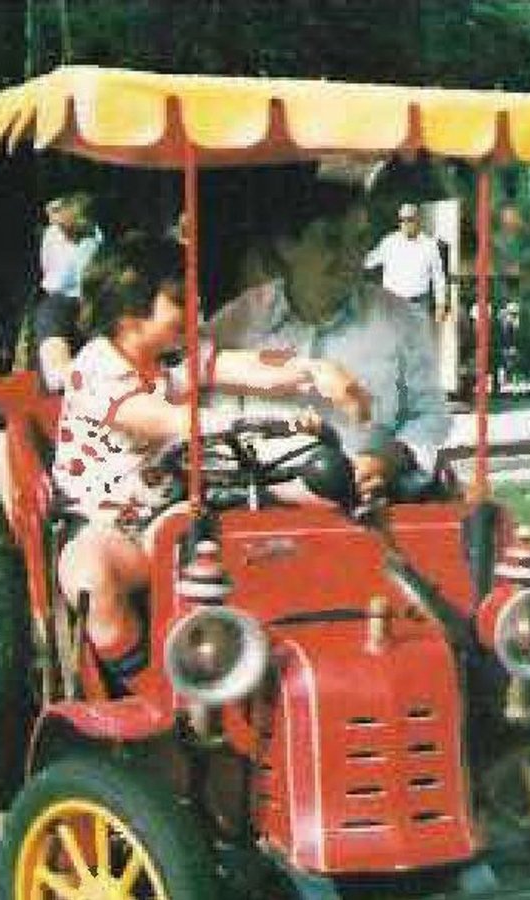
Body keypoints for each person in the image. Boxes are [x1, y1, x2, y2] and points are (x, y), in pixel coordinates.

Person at [55, 234, 369, 696]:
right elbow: (169, 421)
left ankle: (304, 642)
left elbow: (243, 365)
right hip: (106, 521)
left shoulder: (171, 357)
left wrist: (314, 372)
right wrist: (252, 422)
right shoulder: (95, 370)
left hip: (171, 504)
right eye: (179, 300)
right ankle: (147, 686)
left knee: (292, 510)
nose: (194, 307)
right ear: (129, 310)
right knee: (90, 577)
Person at [214, 174, 452, 503]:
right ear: (287, 245)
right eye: (331, 240)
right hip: (262, 519)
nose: (352, 257)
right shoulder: (238, 323)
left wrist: (390, 459)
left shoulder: (401, 321)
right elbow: (190, 384)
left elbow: (431, 417)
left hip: (376, 516)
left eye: (359, 240)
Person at [34, 194, 102, 391]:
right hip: (60, 301)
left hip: (86, 301)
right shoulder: (55, 310)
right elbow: (57, 378)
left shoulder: (94, 237)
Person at [362, 202, 448, 321]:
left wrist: (441, 304)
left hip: (419, 304)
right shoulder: (389, 242)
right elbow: (368, 261)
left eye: (410, 220)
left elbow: (438, 276)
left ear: (418, 221)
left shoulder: (430, 245)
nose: (406, 224)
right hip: (391, 305)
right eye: (402, 220)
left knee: (418, 338)